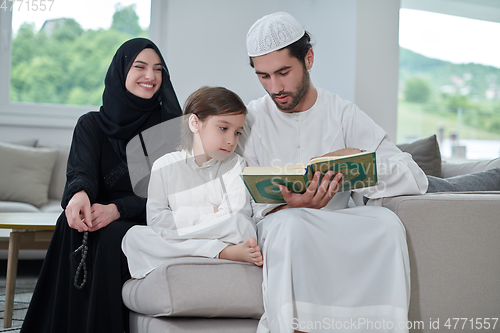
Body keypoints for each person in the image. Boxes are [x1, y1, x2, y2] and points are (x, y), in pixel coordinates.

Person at [237, 12, 428, 333]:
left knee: (386, 224)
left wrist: (353, 156)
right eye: (264, 76)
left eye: (283, 72)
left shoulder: (343, 113)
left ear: (308, 59)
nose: (276, 87)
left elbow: (414, 177)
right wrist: (286, 205)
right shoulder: (251, 118)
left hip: (341, 220)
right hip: (282, 222)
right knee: (291, 224)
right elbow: (239, 200)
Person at [21, 38, 182, 333]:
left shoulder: (171, 128)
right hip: (96, 213)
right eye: (140, 67)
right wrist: (79, 196)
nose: (150, 76)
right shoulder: (91, 125)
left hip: (148, 215)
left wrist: (116, 209)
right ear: (120, 72)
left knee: (111, 234)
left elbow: (170, 193)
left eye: (158, 69)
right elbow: (81, 172)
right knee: (70, 222)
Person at [122, 86, 262, 279]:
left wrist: (184, 222)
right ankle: (222, 252)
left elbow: (236, 215)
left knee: (241, 224)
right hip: (205, 236)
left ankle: (185, 252)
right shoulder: (164, 165)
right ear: (194, 123)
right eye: (223, 128)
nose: (231, 140)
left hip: (186, 234)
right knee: (134, 237)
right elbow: (155, 220)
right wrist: (211, 212)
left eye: (237, 132)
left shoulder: (237, 164)